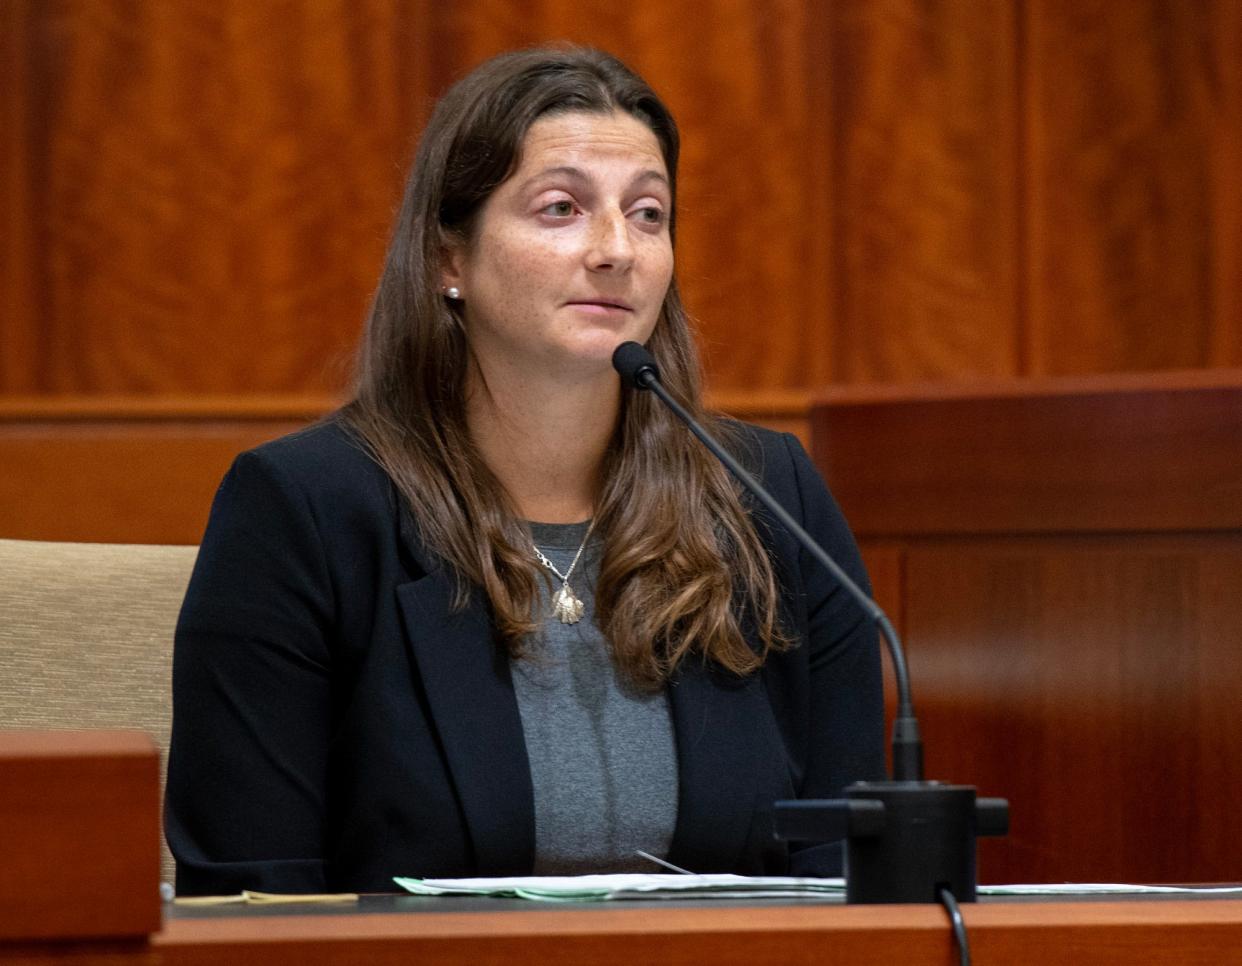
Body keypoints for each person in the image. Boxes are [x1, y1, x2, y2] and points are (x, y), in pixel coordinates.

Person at [164, 46, 885, 896]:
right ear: (449, 260)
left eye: (649, 214)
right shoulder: (306, 512)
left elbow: (850, 877)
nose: (617, 249)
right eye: (561, 208)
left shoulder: (766, 497)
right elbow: (253, 899)